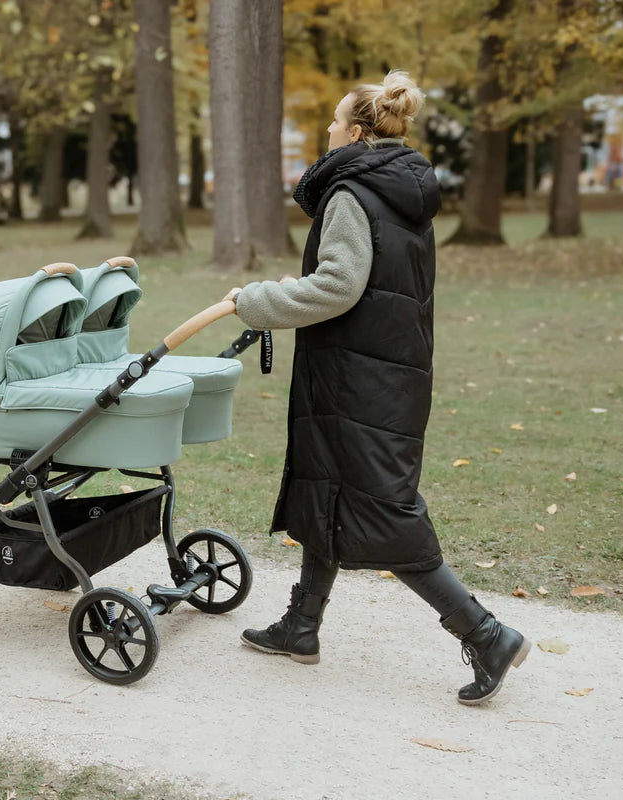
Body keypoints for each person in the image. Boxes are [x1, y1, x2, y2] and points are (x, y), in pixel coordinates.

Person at [225, 70, 530, 706]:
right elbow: (362, 275)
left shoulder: (350, 193)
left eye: (336, 123)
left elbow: (339, 286)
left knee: (385, 510)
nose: (329, 131)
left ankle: (485, 632)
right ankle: (300, 626)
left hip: (359, 378)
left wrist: (256, 301)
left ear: (358, 134)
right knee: (327, 491)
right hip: (381, 369)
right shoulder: (399, 188)